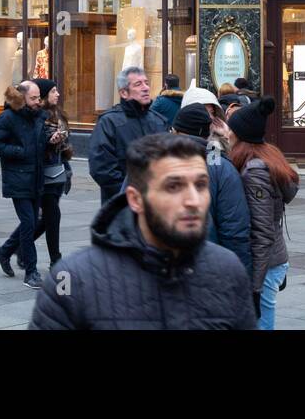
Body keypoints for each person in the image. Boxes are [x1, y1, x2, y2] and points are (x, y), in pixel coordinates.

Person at [30, 133, 256, 329]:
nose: (193, 201)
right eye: (173, 187)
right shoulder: (73, 280)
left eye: (201, 185)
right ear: (135, 200)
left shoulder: (228, 270)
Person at [228, 97, 299, 330]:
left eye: (231, 129)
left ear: (240, 136)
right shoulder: (268, 154)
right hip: (273, 260)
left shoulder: (254, 172)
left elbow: (262, 231)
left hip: (265, 264)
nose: (227, 134)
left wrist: (255, 286)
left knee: (261, 322)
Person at [171, 101, 253, 279]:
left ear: (175, 130)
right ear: (207, 131)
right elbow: (234, 231)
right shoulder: (219, 165)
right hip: (207, 269)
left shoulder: (151, 159)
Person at [0, 82, 47, 289]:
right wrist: (20, 152)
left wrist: (52, 140)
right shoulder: (8, 117)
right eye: (33, 98)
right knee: (29, 223)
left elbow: (39, 143)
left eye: (38, 97)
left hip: (36, 177)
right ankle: (31, 272)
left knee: (30, 222)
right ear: (22, 98)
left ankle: (4, 252)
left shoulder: (38, 115)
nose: (38, 102)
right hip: (18, 177)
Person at [88, 66, 166, 205]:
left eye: (146, 83)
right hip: (122, 205)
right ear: (124, 93)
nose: (146, 88)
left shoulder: (158, 121)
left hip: (156, 203)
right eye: (138, 84)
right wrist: (127, 195)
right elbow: (102, 168)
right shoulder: (109, 122)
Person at [31, 78, 72, 270]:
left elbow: (63, 147)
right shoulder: (39, 116)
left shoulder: (58, 114)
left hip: (57, 170)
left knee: (48, 217)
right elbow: (36, 143)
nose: (58, 94)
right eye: (54, 91)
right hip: (44, 172)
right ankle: (56, 259)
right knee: (52, 216)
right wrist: (50, 141)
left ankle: (11, 249)